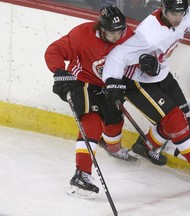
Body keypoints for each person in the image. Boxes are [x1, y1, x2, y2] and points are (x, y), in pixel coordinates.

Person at [102, 0, 190, 184]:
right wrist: (112, 81)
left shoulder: (186, 15)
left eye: (180, 13)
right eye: (173, 14)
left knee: (181, 114)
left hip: (160, 73)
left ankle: (146, 146)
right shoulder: (148, 33)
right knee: (175, 120)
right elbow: (118, 55)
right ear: (163, 9)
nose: (178, 18)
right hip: (136, 81)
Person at [44, 5, 137, 198]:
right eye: (111, 32)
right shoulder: (83, 34)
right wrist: (60, 72)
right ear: (101, 28)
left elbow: (137, 59)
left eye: (119, 31)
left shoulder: (128, 35)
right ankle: (82, 174)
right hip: (84, 81)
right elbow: (54, 50)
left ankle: (113, 147)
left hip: (111, 85)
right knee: (91, 121)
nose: (116, 37)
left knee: (115, 121)